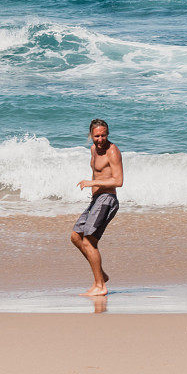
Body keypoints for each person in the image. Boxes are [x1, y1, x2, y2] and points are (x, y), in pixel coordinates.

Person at [70, 119, 123, 296]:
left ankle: (100, 286)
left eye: (103, 135)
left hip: (107, 199)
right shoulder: (93, 149)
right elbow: (98, 171)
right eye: (97, 136)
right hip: (96, 199)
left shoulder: (113, 151)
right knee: (76, 237)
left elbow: (118, 181)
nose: (100, 139)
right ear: (90, 135)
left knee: (89, 241)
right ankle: (101, 275)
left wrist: (92, 183)